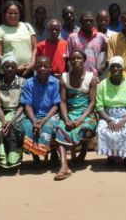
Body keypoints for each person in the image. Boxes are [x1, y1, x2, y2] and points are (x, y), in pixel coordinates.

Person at [51, 50, 98, 181]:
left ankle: (82, 152)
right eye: (73, 59)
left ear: (84, 60)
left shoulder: (91, 78)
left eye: (79, 58)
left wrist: (80, 120)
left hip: (86, 114)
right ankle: (64, 166)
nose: (76, 61)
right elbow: (63, 101)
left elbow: (92, 103)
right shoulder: (64, 78)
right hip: (70, 113)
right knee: (60, 128)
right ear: (70, 62)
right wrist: (66, 119)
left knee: (84, 129)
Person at [95, 56, 126, 167]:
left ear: (123, 69)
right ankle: (111, 157)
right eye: (112, 67)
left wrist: (124, 120)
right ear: (109, 69)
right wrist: (108, 120)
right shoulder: (102, 85)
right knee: (103, 129)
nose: (115, 69)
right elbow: (99, 106)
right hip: (108, 115)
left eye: (118, 66)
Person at [20, 56, 61, 163]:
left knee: (48, 127)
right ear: (35, 68)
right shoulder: (29, 83)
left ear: (50, 68)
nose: (42, 68)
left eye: (45, 66)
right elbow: (27, 105)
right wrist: (34, 120)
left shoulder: (55, 82)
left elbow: (56, 105)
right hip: (33, 115)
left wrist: (43, 121)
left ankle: (53, 153)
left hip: (50, 115)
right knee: (27, 127)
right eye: (39, 66)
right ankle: (35, 156)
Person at [0, 53, 27, 169]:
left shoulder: (23, 82)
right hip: (2, 114)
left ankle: (14, 157)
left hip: (19, 114)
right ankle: (3, 158)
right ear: (2, 68)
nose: (10, 69)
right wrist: (3, 121)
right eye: (7, 66)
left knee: (13, 126)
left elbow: (23, 105)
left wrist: (10, 121)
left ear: (16, 68)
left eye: (13, 66)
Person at [0, 0, 37, 78]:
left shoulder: (27, 26)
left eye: (16, 13)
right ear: (4, 14)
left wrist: (32, 64)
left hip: (28, 71)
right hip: (8, 73)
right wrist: (12, 68)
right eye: (10, 13)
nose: (13, 16)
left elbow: (35, 48)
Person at [67, 11, 109, 76]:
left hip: (94, 76)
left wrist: (104, 66)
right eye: (85, 21)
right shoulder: (72, 37)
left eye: (91, 21)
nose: (88, 23)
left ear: (94, 22)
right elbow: (68, 59)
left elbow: (112, 50)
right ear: (80, 22)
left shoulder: (100, 37)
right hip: (77, 77)